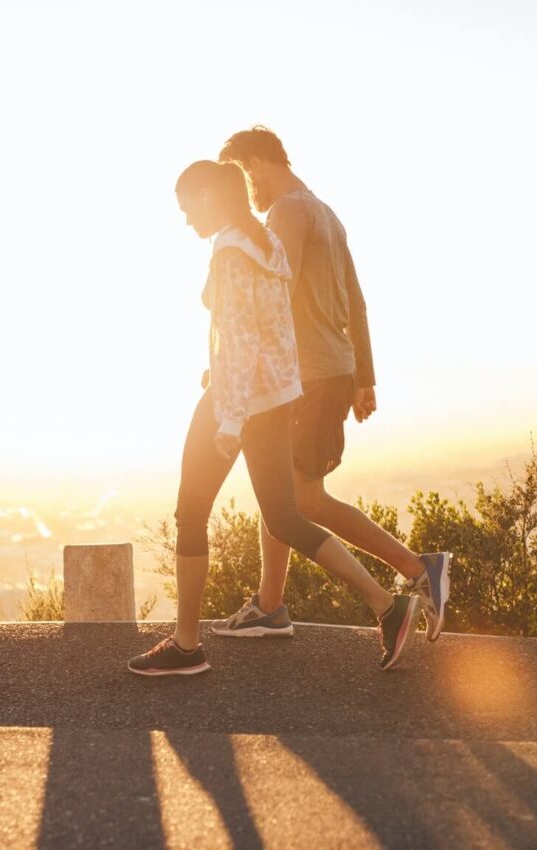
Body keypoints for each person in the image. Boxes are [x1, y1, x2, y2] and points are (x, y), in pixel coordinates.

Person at [128, 160, 423, 677]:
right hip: (276, 397)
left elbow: (240, 340)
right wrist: (279, 394)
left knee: (191, 512)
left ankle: (187, 646)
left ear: (207, 198)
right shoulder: (267, 244)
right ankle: (387, 606)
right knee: (285, 516)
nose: (185, 220)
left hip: (234, 400)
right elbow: (278, 330)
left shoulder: (229, 252)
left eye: (186, 207)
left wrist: (229, 421)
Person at [215, 127, 451, 642]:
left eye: (240, 174)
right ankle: (270, 605)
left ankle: (417, 570)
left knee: (303, 499)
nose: (244, 189)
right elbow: (358, 303)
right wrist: (363, 377)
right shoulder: (326, 212)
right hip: (329, 371)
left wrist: (235, 362)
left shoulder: (285, 214)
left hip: (308, 375)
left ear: (255, 164)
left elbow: (274, 298)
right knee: (280, 492)